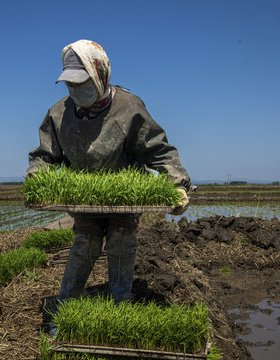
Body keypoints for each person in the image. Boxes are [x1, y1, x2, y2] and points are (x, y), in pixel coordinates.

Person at [26, 40, 190, 305]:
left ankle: (120, 308)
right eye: (71, 84)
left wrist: (178, 184)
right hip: (83, 201)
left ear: (100, 74)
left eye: (83, 83)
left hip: (124, 203)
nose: (77, 90)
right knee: (85, 244)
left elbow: (157, 150)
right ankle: (65, 309)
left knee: (121, 243)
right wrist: (35, 179)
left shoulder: (128, 108)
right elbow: (45, 156)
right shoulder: (59, 114)